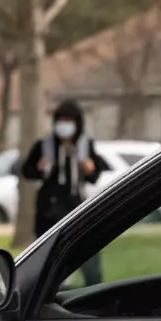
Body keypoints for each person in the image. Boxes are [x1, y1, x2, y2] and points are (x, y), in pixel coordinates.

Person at [19, 99, 109, 286]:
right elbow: (27, 171)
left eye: (69, 121)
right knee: (48, 256)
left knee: (87, 252)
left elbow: (95, 174)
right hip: (48, 208)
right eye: (61, 120)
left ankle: (93, 288)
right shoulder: (44, 145)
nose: (65, 125)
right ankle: (51, 291)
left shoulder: (85, 144)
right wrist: (39, 167)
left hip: (75, 204)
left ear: (77, 123)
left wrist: (90, 168)